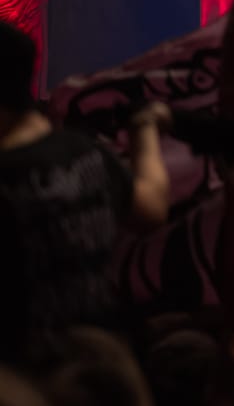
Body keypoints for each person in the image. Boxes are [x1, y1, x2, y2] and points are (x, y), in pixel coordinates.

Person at [0, 21, 170, 360]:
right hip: (103, 365)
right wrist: (146, 129)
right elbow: (151, 206)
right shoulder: (84, 153)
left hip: (29, 386)